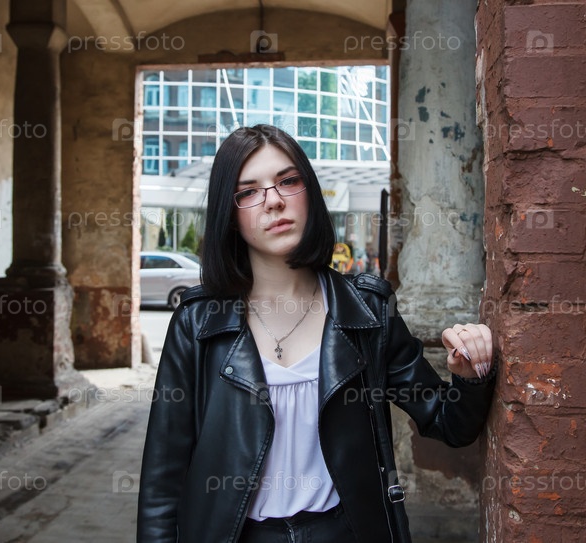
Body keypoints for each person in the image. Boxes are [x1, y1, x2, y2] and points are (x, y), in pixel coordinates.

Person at [137, 125, 495, 543]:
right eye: (248, 192)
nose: (273, 200)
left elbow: (448, 423)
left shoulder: (367, 312)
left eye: (288, 181)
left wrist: (469, 376)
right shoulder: (198, 323)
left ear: (309, 192)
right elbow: (162, 481)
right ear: (229, 216)